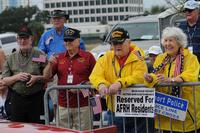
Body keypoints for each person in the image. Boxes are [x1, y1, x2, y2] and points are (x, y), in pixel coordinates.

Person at [89, 27, 148, 133]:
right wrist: (102, 84)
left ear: (128, 42)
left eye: (120, 43)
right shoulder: (106, 57)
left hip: (137, 111)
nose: (117, 46)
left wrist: (120, 83)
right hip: (115, 110)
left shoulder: (138, 57)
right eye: (114, 43)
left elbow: (140, 76)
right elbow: (95, 76)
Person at [144, 27, 200, 133]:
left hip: (186, 114)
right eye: (165, 40)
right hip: (166, 116)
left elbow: (191, 75)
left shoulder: (190, 58)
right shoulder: (161, 58)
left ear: (179, 42)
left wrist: (172, 80)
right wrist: (150, 78)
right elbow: (158, 75)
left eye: (171, 40)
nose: (167, 44)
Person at [43, 27, 96, 130]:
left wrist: (82, 87)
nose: (68, 42)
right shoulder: (59, 57)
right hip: (63, 105)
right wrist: (49, 64)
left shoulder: (88, 56)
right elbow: (47, 77)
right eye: (66, 40)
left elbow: (97, 78)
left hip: (83, 105)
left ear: (78, 41)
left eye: (70, 40)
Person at [1, 25, 47, 124]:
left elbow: (49, 77)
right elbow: (4, 80)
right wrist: (16, 77)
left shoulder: (40, 55)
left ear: (31, 39)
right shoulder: (11, 58)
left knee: (36, 127)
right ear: (17, 40)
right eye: (20, 38)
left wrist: (36, 78)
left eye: (25, 38)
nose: (23, 41)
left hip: (36, 98)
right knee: (18, 127)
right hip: (17, 99)